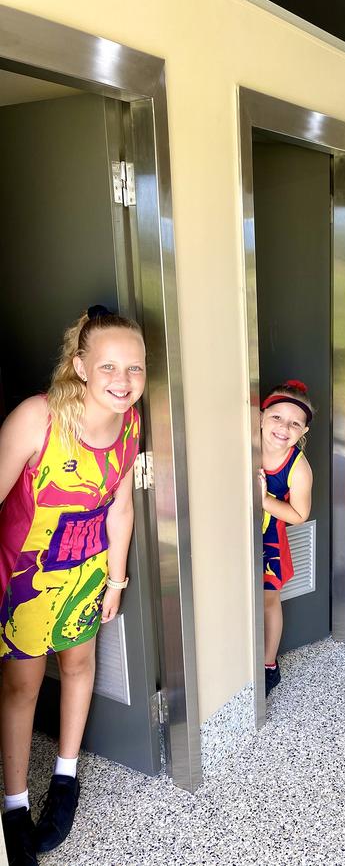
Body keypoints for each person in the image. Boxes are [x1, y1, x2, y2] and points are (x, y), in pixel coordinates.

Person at [0, 306, 145, 866]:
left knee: (80, 666)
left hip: (86, 574)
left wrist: (115, 580)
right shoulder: (37, 419)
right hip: (26, 579)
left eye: (134, 368)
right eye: (108, 366)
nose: (123, 381)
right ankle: (14, 803)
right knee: (23, 686)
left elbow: (120, 509)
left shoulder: (131, 423)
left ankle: (65, 778)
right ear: (80, 366)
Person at [258, 380, 313, 697]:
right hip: (235, 538)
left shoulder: (298, 467)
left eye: (294, 423)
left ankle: (268, 664)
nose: (284, 427)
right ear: (262, 416)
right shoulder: (246, 444)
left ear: (303, 431)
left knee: (268, 600)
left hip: (271, 542)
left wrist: (263, 499)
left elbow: (299, 514)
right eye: (277, 417)